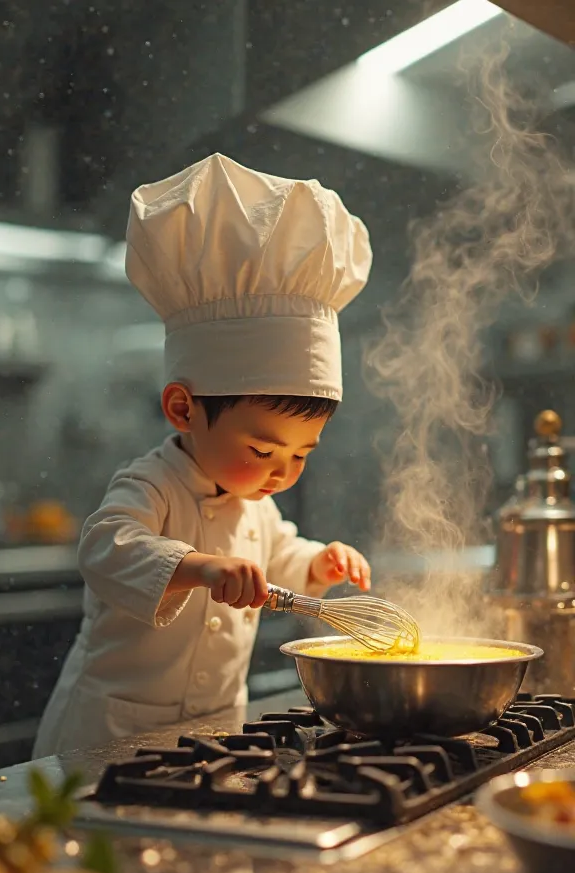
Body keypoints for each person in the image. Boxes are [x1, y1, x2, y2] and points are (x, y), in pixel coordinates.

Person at [33, 153, 373, 757]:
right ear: (183, 409)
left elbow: (279, 551)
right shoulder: (152, 484)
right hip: (108, 736)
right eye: (264, 448)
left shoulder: (255, 505)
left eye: (300, 455)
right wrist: (199, 567)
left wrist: (318, 564)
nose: (280, 472)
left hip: (212, 730)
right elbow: (106, 546)